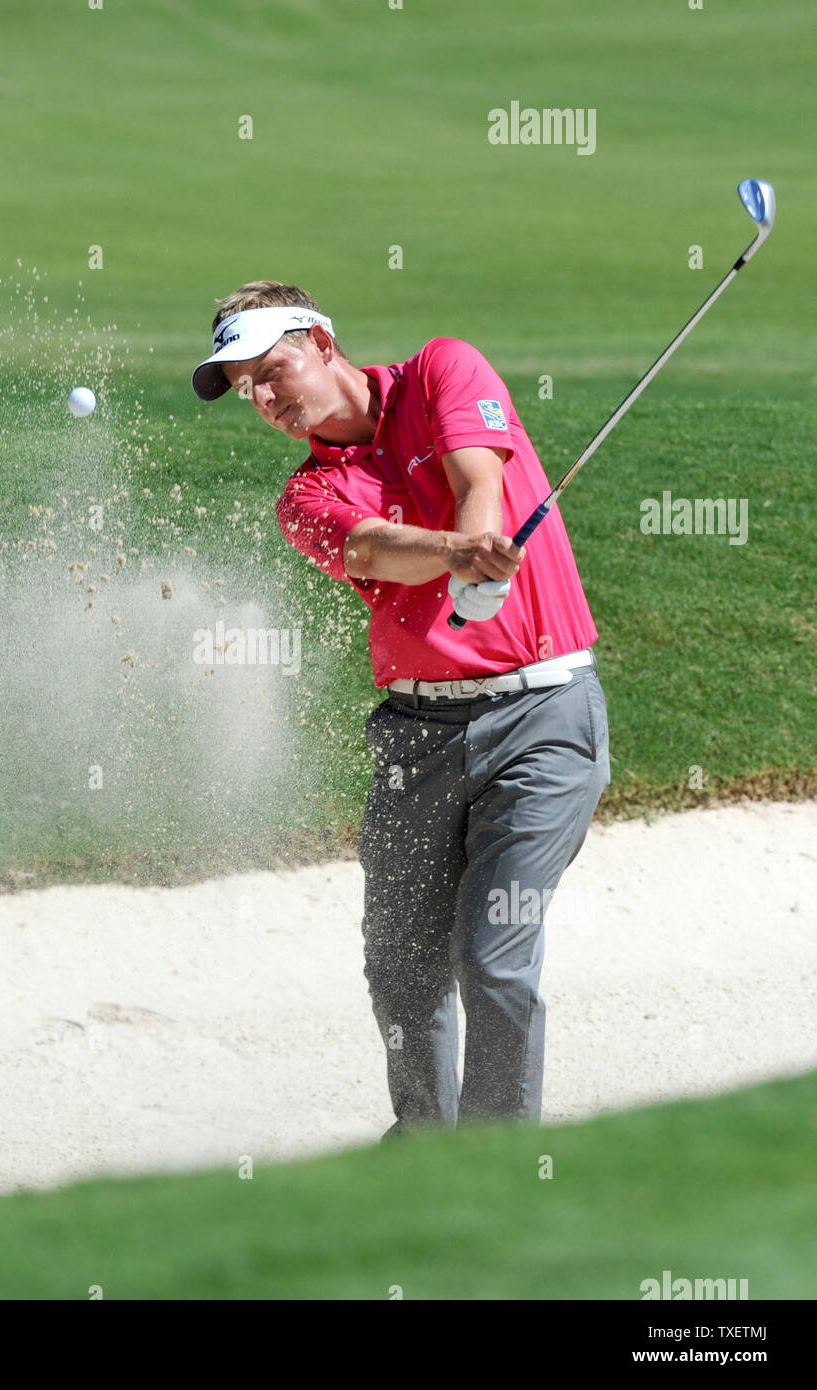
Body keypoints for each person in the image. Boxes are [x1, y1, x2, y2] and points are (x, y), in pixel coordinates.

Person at [191, 281, 610, 1133]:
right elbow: (372, 545)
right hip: (417, 737)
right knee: (401, 972)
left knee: (493, 955)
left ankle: (492, 1177)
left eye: (272, 370)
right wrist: (458, 556)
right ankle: (425, 1156)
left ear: (321, 341)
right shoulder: (304, 498)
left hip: (543, 719)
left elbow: (476, 474)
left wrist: (480, 551)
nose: (266, 400)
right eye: (246, 389)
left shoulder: (440, 369)